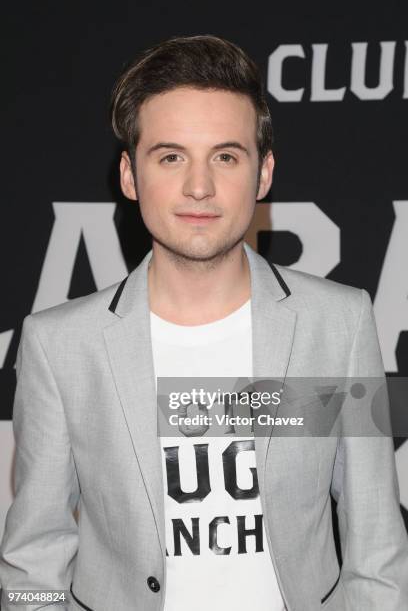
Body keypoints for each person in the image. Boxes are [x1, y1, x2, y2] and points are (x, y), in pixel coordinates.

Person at [1, 34, 407, 611]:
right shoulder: (61, 345)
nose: (199, 186)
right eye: (171, 157)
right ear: (129, 175)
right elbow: (28, 565)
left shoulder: (336, 324)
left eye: (225, 155)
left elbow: (378, 551)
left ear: (263, 173)